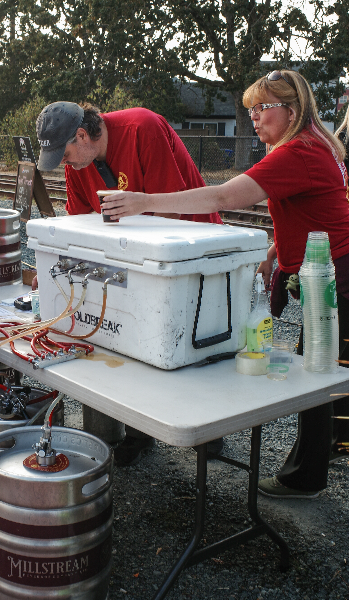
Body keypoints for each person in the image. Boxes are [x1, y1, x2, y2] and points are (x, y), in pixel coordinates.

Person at [100, 70, 349, 498]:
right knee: (319, 370)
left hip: (334, 281)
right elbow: (311, 209)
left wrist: (144, 202)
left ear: (291, 110)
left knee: (319, 378)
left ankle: (305, 478)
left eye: (262, 108)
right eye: (250, 108)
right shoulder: (311, 143)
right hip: (322, 269)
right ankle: (312, 468)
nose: (254, 117)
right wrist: (276, 251)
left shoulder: (298, 152)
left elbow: (223, 197)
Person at [36, 101, 224, 465]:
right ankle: (140, 430)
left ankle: (209, 431)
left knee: (197, 343)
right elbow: (81, 228)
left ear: (82, 135)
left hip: (191, 249)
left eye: (65, 152)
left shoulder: (142, 128)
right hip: (133, 258)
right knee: (133, 342)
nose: (64, 162)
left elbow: (170, 212)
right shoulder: (80, 163)